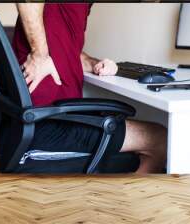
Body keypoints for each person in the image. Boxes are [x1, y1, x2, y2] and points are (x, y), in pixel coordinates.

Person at [12, 3, 167, 173]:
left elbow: (69, 51)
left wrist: (95, 64)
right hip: (43, 125)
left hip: (53, 117)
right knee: (159, 139)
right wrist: (39, 54)